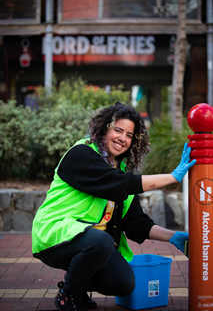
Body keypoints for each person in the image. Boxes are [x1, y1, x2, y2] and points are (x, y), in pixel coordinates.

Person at [32, 101, 196, 311]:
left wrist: (172, 236)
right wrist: (172, 177)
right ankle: (69, 294)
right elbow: (115, 183)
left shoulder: (120, 170)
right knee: (101, 241)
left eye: (129, 135)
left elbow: (136, 222)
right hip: (53, 235)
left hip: (90, 244)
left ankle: (76, 281)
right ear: (104, 129)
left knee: (123, 283)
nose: (122, 139)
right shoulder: (81, 154)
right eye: (118, 130)